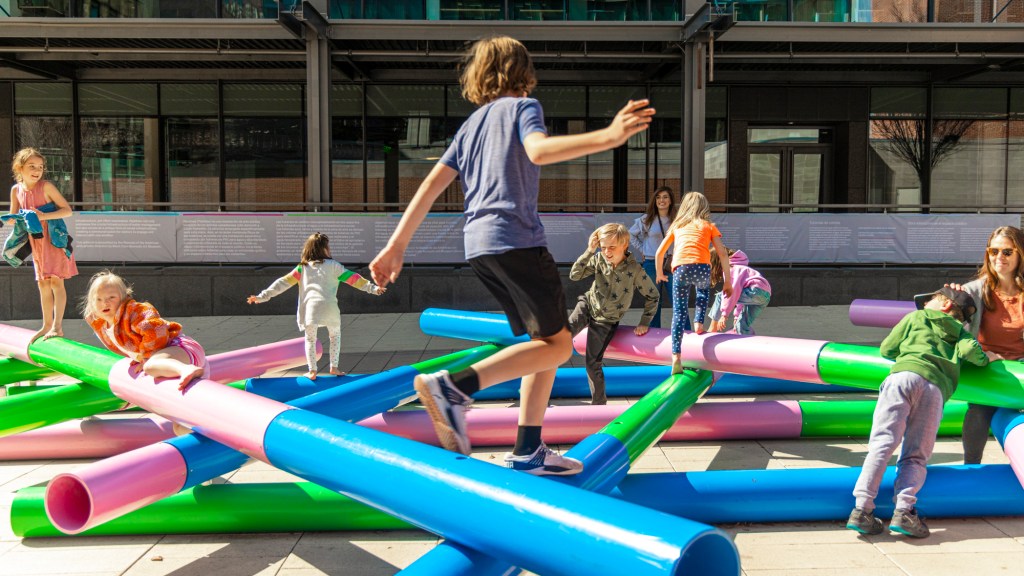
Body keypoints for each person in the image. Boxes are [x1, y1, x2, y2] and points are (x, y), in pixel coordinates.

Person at [369, 35, 654, 476]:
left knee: (545, 344)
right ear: (523, 73)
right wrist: (610, 136)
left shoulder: (470, 126)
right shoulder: (524, 107)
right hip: (516, 241)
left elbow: (430, 186)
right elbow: (538, 150)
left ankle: (528, 451)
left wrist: (396, 245)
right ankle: (454, 388)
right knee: (559, 347)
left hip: (479, 245)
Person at [846, 287, 988, 538]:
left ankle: (862, 509)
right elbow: (970, 354)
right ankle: (904, 511)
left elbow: (886, 349)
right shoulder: (959, 332)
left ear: (944, 304)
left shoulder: (914, 318)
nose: (924, 305)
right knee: (916, 454)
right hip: (934, 389)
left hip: (902, 379)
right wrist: (987, 359)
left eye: (930, 300)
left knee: (882, 445)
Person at [248, 232, 385, 380]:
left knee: (310, 340)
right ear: (324, 249)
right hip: (330, 308)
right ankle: (334, 367)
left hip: (311, 309)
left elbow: (282, 283)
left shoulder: (303, 268)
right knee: (335, 336)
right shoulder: (334, 266)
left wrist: (262, 296)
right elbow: (354, 279)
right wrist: (373, 288)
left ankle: (312, 370)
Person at [947, 225, 1024, 464]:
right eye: (993, 251)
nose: (999, 257)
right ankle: (971, 468)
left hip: (1021, 369)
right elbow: (936, 318)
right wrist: (954, 301)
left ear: (1020, 254)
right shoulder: (973, 291)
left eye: (1007, 252)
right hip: (987, 366)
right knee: (979, 411)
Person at [568, 223, 659, 405]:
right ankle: (538, 374)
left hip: (606, 320)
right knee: (563, 334)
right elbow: (574, 275)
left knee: (592, 363)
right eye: (603, 247)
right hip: (588, 304)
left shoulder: (634, 270)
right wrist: (590, 250)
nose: (607, 252)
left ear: (625, 245)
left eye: (612, 247)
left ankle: (599, 404)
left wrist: (645, 322)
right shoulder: (599, 259)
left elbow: (653, 296)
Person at [82, 271, 209, 392]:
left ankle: (186, 369)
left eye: (112, 297)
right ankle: (178, 368)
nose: (105, 302)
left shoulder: (134, 311)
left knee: (150, 366)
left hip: (180, 346)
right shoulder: (102, 323)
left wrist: (146, 357)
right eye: (98, 299)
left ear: (123, 297)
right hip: (172, 356)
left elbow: (155, 329)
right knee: (152, 366)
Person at [654, 191, 731, 374]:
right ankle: (698, 323)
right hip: (702, 267)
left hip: (680, 269)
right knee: (703, 292)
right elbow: (721, 253)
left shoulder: (677, 226)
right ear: (704, 207)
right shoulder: (709, 226)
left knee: (679, 312)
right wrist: (727, 280)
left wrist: (659, 273)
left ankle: (676, 356)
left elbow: (659, 253)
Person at [8, 148, 78, 342]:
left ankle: (57, 327)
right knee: (43, 283)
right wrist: (13, 218)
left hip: (54, 240)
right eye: (32, 166)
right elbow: (13, 219)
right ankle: (46, 325)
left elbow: (67, 210)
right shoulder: (16, 190)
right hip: (36, 241)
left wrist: (43, 216)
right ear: (19, 168)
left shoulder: (46, 187)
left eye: (40, 167)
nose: (37, 170)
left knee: (56, 281)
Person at [629, 186, 676, 329]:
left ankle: (685, 333)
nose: (661, 200)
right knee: (654, 300)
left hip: (672, 263)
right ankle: (654, 332)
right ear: (654, 200)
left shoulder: (678, 219)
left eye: (665, 197)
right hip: (651, 263)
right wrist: (642, 249)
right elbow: (630, 234)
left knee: (678, 300)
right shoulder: (646, 219)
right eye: (658, 197)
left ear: (671, 200)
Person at [707, 247, 771, 335]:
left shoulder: (731, 269)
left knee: (720, 296)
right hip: (765, 296)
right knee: (741, 325)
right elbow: (739, 293)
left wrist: (724, 315)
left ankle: (712, 328)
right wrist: (737, 316)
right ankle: (745, 344)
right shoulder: (741, 267)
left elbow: (732, 293)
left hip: (755, 291)